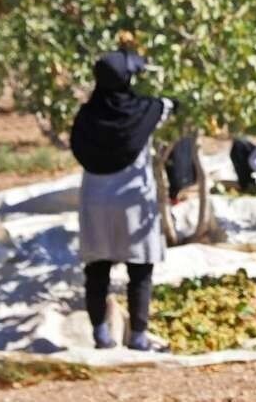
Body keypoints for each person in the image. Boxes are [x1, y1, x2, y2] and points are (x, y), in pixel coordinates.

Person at [70, 50, 175, 351]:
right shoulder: (147, 109)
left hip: (95, 200)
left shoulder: (86, 115)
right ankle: (139, 337)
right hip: (133, 200)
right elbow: (171, 105)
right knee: (140, 269)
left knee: (97, 269)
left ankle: (101, 335)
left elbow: (76, 145)